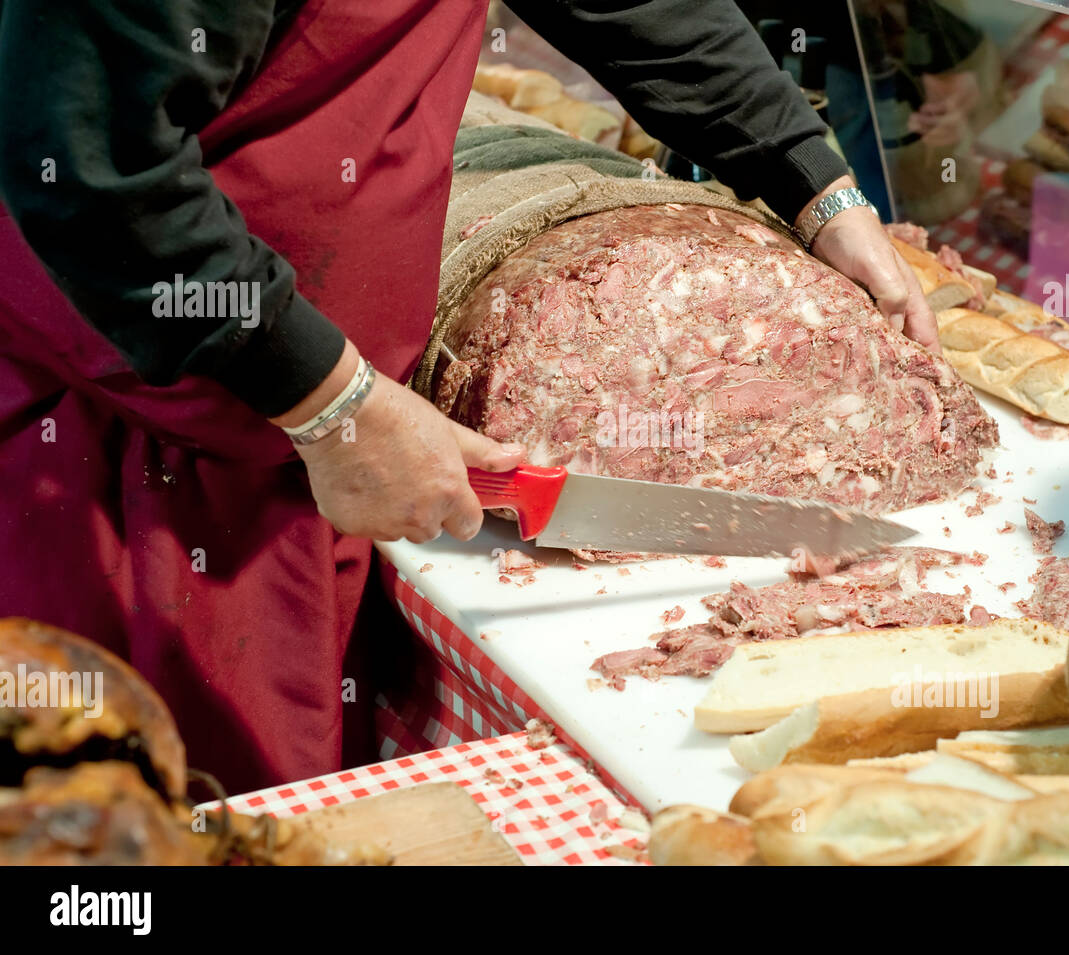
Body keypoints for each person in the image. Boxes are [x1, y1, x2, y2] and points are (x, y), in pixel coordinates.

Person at [0, 0, 937, 791]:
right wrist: (327, 400)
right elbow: (90, 162)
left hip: (297, 437)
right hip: (114, 445)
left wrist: (820, 191)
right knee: (139, 820)